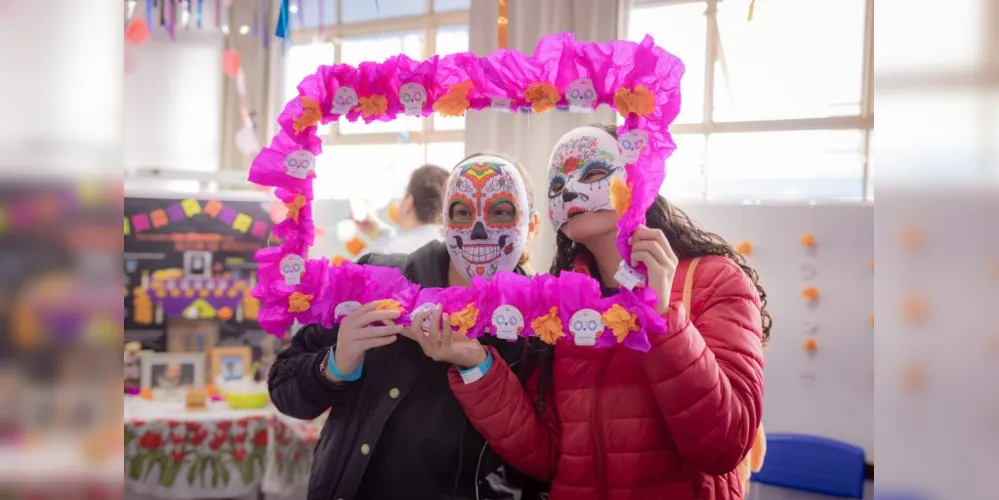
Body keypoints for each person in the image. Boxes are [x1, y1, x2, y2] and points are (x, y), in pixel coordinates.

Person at [421, 125, 772, 500]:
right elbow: (550, 458)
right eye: (556, 185)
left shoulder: (714, 281)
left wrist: (663, 319)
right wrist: (477, 365)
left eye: (592, 174)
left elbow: (723, 446)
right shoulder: (560, 303)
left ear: (636, 180)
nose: (570, 190)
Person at [267, 154, 548, 500]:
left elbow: (543, 460)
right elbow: (283, 387)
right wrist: (336, 364)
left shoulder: (539, 324)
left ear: (531, 226)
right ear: (444, 223)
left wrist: (479, 366)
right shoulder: (374, 281)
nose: (479, 230)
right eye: (462, 212)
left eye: (501, 212)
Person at [355, 164, 450, 255]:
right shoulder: (449, 251)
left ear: (408, 202)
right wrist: (378, 231)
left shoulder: (383, 253)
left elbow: (350, 270)